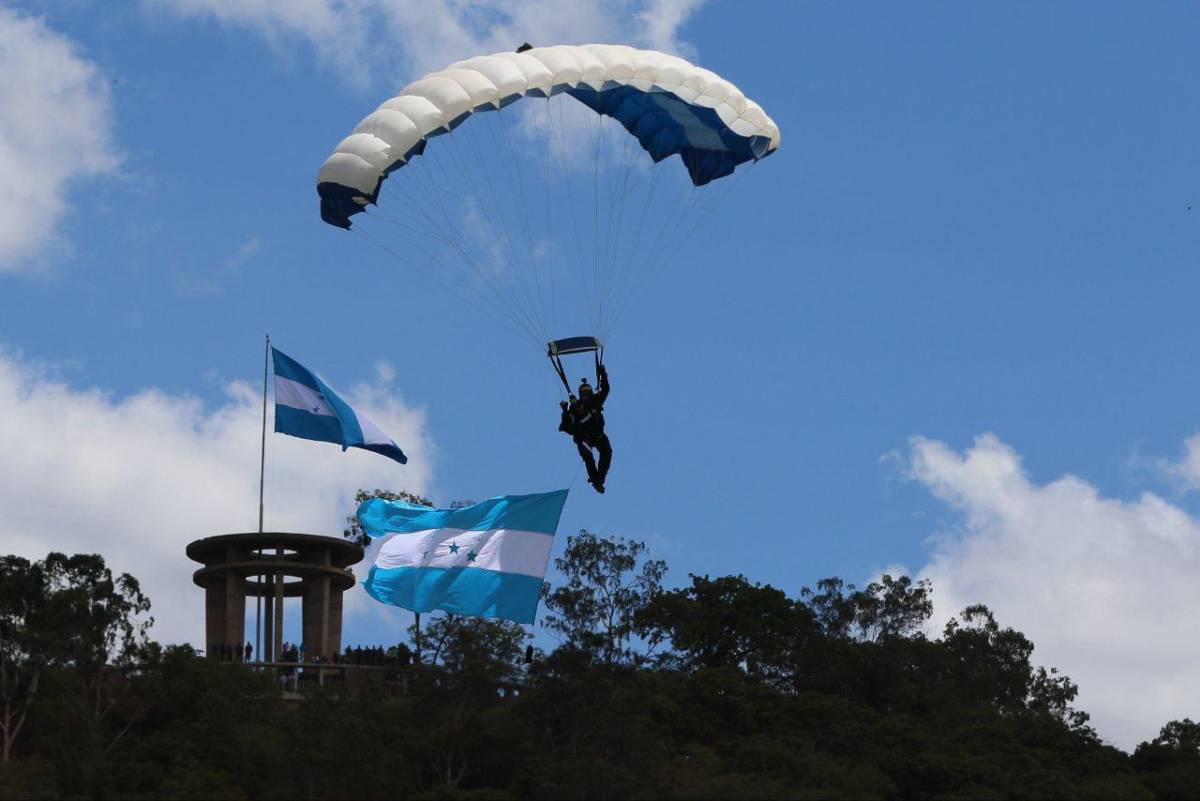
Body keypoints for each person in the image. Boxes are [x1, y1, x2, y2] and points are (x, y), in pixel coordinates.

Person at [559, 363, 612, 493]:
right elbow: (568, 427)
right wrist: (565, 411)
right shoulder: (575, 408)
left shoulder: (596, 400)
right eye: (583, 394)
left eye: (587, 393)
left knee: (607, 452)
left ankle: (599, 480)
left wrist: (602, 374)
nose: (586, 397)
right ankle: (596, 481)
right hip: (584, 438)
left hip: (598, 435)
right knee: (588, 458)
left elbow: (605, 389)